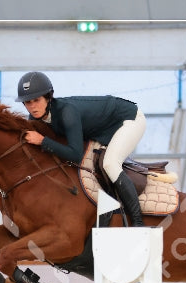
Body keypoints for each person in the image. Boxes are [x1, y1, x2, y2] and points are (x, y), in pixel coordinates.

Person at [15, 71, 145, 227]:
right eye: (28, 102)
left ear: (48, 97)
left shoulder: (67, 113)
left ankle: (138, 222)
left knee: (110, 164)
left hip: (129, 119)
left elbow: (75, 155)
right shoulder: (35, 117)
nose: (33, 107)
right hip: (100, 129)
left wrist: (43, 141)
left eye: (37, 100)